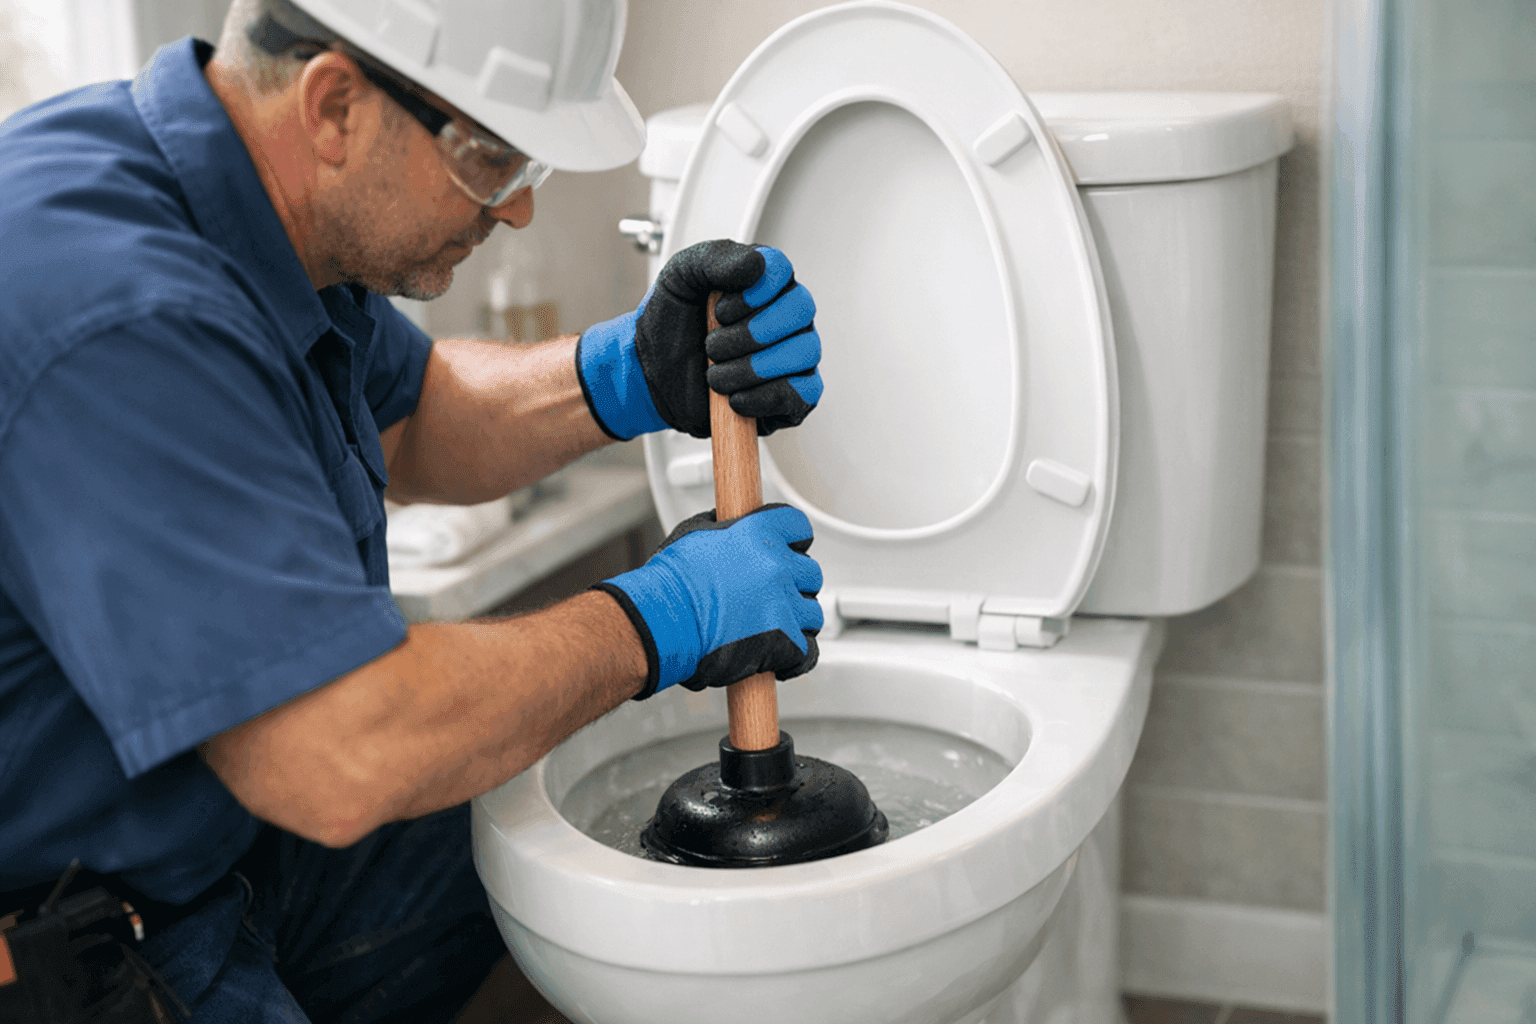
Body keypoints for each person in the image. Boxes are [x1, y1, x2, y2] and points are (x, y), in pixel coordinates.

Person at [0, 0, 825, 1020]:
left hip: (218, 854)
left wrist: (627, 374)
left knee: (565, 830)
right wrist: (660, 618)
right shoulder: (119, 311)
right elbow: (340, 751)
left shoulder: (247, 206)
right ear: (335, 103)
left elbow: (417, 417)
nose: (518, 209)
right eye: (492, 160)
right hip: (73, 958)